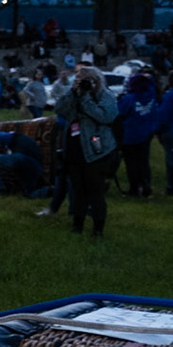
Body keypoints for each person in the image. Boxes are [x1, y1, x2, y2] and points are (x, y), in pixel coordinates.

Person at [55, 64, 119, 237]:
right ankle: (77, 226)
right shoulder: (75, 94)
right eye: (78, 79)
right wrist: (73, 92)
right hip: (75, 149)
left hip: (97, 151)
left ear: (96, 81)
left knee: (95, 191)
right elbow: (60, 109)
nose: (82, 83)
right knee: (78, 190)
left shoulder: (105, 95)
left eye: (86, 80)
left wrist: (87, 98)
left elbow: (107, 116)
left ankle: (98, 229)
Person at [115, 69, 161, 198]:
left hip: (130, 135)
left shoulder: (129, 99)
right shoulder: (150, 95)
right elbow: (152, 85)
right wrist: (148, 78)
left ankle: (134, 189)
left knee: (131, 164)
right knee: (143, 162)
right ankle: (146, 186)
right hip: (146, 134)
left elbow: (119, 113)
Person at [0, 127, 45, 196]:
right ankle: (50, 190)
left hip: (24, 161)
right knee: (28, 193)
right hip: (34, 167)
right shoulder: (21, 138)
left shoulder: (7, 137)